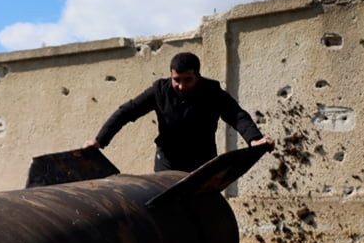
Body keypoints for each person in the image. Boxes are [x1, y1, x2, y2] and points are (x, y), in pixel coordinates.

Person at [85, 51, 273, 172]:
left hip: (203, 160)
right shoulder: (159, 90)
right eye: (177, 79)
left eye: (187, 80)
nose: (181, 86)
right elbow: (127, 111)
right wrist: (100, 140)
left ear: (197, 76)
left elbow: (236, 114)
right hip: (168, 160)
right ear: (171, 75)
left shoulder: (212, 92)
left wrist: (254, 139)